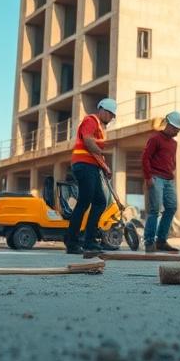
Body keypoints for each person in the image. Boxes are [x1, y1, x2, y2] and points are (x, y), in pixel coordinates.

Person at [65, 97, 118, 256]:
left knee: (100, 202)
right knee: (84, 202)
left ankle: (89, 240)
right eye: (109, 114)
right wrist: (101, 154)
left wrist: (105, 167)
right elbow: (88, 142)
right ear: (101, 109)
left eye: (112, 115)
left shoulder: (100, 128)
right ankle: (72, 241)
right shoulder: (91, 120)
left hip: (91, 166)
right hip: (83, 165)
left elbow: (94, 153)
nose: (110, 117)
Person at [142, 111, 180, 253]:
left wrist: (173, 172)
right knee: (154, 210)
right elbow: (145, 158)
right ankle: (149, 241)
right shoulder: (155, 139)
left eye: (179, 130)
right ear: (168, 125)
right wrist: (148, 177)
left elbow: (173, 161)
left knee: (171, 207)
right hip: (156, 177)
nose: (177, 132)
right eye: (175, 129)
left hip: (168, 180)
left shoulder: (174, 143)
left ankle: (161, 241)